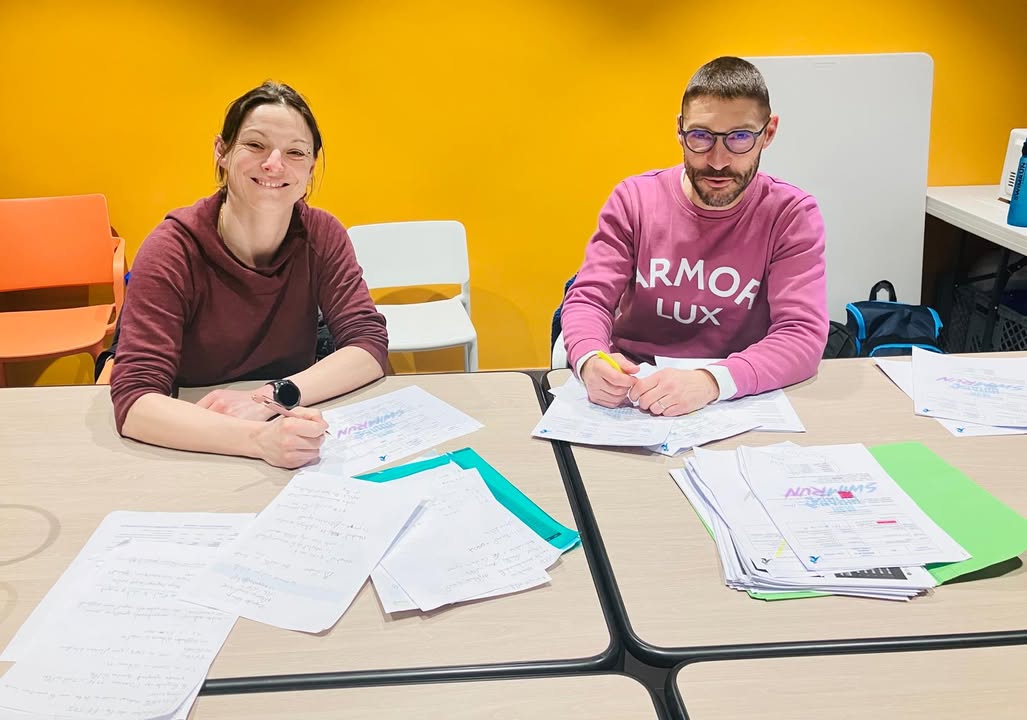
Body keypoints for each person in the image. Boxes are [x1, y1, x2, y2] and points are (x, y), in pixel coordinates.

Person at [110, 81, 388, 469]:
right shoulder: (172, 248)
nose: (274, 164)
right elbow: (136, 400)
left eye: (295, 152)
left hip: (288, 427)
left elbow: (368, 344)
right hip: (197, 435)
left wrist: (271, 397)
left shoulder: (323, 234)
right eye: (255, 145)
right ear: (222, 152)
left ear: (310, 168)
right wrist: (258, 440)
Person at [560, 56, 828, 416]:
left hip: (735, 395)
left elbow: (801, 335)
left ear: (768, 133)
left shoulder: (790, 214)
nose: (717, 161)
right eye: (700, 136)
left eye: (740, 138)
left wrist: (710, 381)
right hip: (633, 394)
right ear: (679, 130)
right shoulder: (634, 200)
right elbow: (589, 300)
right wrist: (591, 359)